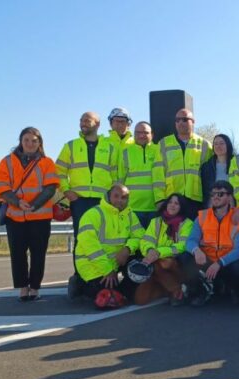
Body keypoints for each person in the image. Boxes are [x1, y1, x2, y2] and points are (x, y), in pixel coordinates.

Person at [0, 127, 59, 302]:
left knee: (38, 253)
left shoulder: (47, 162)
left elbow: (51, 187)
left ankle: (35, 287)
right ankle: (23, 287)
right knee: (17, 253)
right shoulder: (7, 162)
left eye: (34, 140)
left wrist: (35, 204)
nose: (30, 143)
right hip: (15, 216)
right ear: (20, 142)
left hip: (40, 216)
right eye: (26, 140)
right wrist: (17, 201)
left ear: (40, 143)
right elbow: (0, 186)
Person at [68, 184, 145, 303]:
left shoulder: (130, 215)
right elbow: (91, 248)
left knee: (141, 268)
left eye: (124, 197)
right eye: (116, 196)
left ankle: (122, 291)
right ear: (108, 197)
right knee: (106, 298)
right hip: (93, 265)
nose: (120, 200)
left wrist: (128, 249)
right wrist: (107, 270)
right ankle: (79, 284)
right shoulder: (93, 214)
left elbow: (140, 235)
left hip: (116, 261)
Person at [56, 111, 119, 250]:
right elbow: (58, 171)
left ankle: (103, 271)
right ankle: (79, 272)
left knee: (103, 238)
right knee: (81, 238)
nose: (83, 123)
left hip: (103, 201)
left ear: (97, 124)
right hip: (79, 201)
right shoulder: (70, 146)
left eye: (87, 120)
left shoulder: (109, 147)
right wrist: (66, 191)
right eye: (81, 120)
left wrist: (113, 197)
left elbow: (115, 175)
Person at [184, 180, 239, 306]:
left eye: (220, 194)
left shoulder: (238, 218)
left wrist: (220, 262)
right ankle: (201, 291)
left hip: (226, 263)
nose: (215, 197)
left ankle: (234, 290)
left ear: (229, 197)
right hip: (207, 260)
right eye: (213, 194)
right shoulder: (202, 217)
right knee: (185, 257)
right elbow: (191, 240)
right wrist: (196, 251)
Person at [138, 193, 194, 306]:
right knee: (140, 300)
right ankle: (172, 289)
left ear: (181, 207)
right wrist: (149, 250)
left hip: (175, 263)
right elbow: (145, 241)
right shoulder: (156, 221)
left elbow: (182, 246)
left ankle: (176, 291)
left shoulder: (187, 223)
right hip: (154, 261)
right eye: (170, 202)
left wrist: (159, 253)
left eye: (176, 203)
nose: (172, 205)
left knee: (164, 263)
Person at [156, 108, 212, 219]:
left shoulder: (205, 145)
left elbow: (210, 175)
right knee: (172, 235)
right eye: (177, 120)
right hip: (172, 200)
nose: (181, 122)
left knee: (194, 235)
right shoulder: (163, 144)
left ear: (193, 122)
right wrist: (160, 199)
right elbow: (158, 174)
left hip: (196, 201)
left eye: (185, 119)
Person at [118, 121, 164, 229]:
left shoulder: (160, 150)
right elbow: (120, 180)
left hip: (156, 207)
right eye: (138, 133)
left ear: (152, 135)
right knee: (134, 242)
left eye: (145, 132)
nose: (141, 135)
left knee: (153, 243)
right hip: (132, 208)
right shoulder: (125, 152)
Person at [200, 134, 235, 206]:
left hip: (232, 206)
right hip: (212, 207)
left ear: (228, 145)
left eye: (222, 143)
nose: (218, 146)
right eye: (215, 144)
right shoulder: (206, 167)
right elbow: (205, 190)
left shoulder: (237, 163)